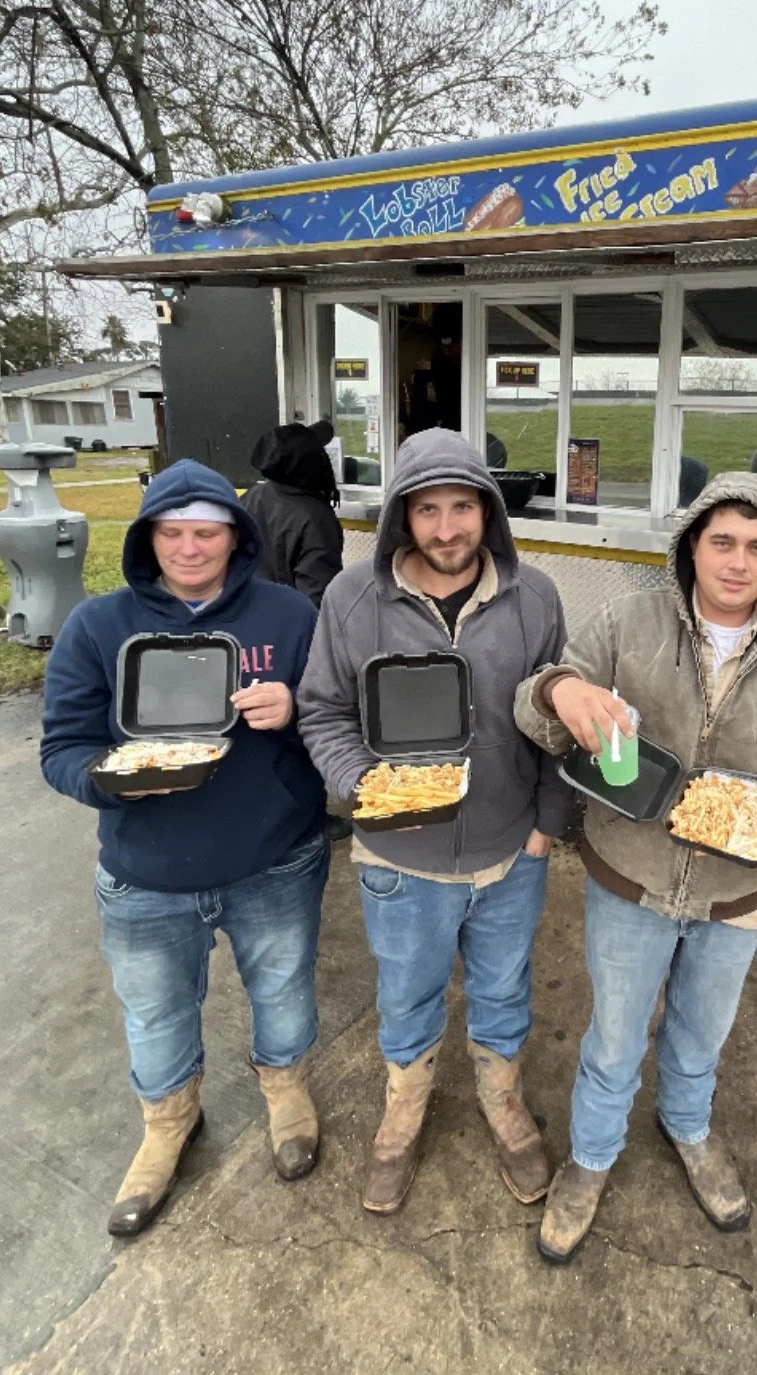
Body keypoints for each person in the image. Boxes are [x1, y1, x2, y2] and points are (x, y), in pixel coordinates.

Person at [515, 472, 757, 1264]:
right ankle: (591, 1159)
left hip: (738, 893)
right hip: (628, 878)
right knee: (613, 1036)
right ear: (690, 549)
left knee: (701, 1032)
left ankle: (689, 1128)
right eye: (721, 542)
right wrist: (561, 693)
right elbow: (536, 708)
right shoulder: (627, 624)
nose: (737, 563)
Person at [40, 461, 330, 1236]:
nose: (189, 548)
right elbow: (62, 746)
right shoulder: (97, 626)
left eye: (207, 532)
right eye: (171, 532)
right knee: (158, 1011)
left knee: (283, 988)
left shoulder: (289, 617)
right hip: (146, 870)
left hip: (275, 857)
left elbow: (337, 721)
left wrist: (297, 708)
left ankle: (286, 1090)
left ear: (236, 537)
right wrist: (110, 780)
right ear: (147, 536)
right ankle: (168, 1124)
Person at [297, 428, 571, 1216]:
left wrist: (546, 826)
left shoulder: (536, 598)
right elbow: (322, 712)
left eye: (463, 507)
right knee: (409, 991)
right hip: (398, 857)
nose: (446, 529)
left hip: (508, 849)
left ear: (488, 511)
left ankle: (502, 1098)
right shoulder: (351, 599)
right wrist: (360, 789)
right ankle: (404, 1105)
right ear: (401, 517)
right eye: (426, 510)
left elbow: (555, 723)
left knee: (502, 986)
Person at [243, 419, 344, 608]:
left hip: (247, 618)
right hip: (289, 627)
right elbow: (316, 599)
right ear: (316, 464)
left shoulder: (253, 495)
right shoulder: (315, 519)